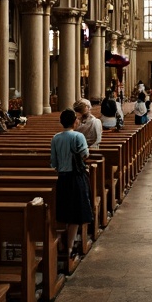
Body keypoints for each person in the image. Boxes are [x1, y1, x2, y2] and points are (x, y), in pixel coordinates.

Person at [49, 107, 94, 260]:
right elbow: (85, 154)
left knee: (65, 211)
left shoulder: (55, 138)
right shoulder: (78, 136)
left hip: (62, 177)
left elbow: (53, 162)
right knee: (76, 213)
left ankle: (62, 242)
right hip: (76, 177)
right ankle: (69, 246)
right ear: (75, 121)